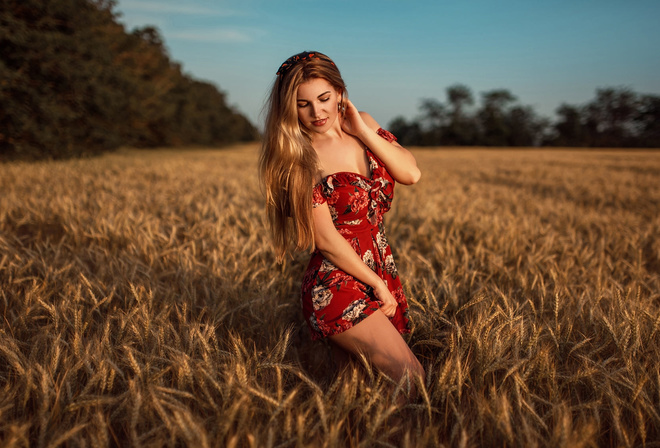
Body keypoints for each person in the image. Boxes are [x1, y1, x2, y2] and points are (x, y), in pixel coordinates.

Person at [259, 51, 424, 395]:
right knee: (411, 377)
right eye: (303, 104)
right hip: (336, 284)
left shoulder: (363, 124)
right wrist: (377, 284)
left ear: (339, 92)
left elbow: (410, 173)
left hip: (377, 270)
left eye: (324, 98)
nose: (316, 112)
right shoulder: (297, 157)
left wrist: (361, 130)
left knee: (355, 393)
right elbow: (326, 241)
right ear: (289, 106)